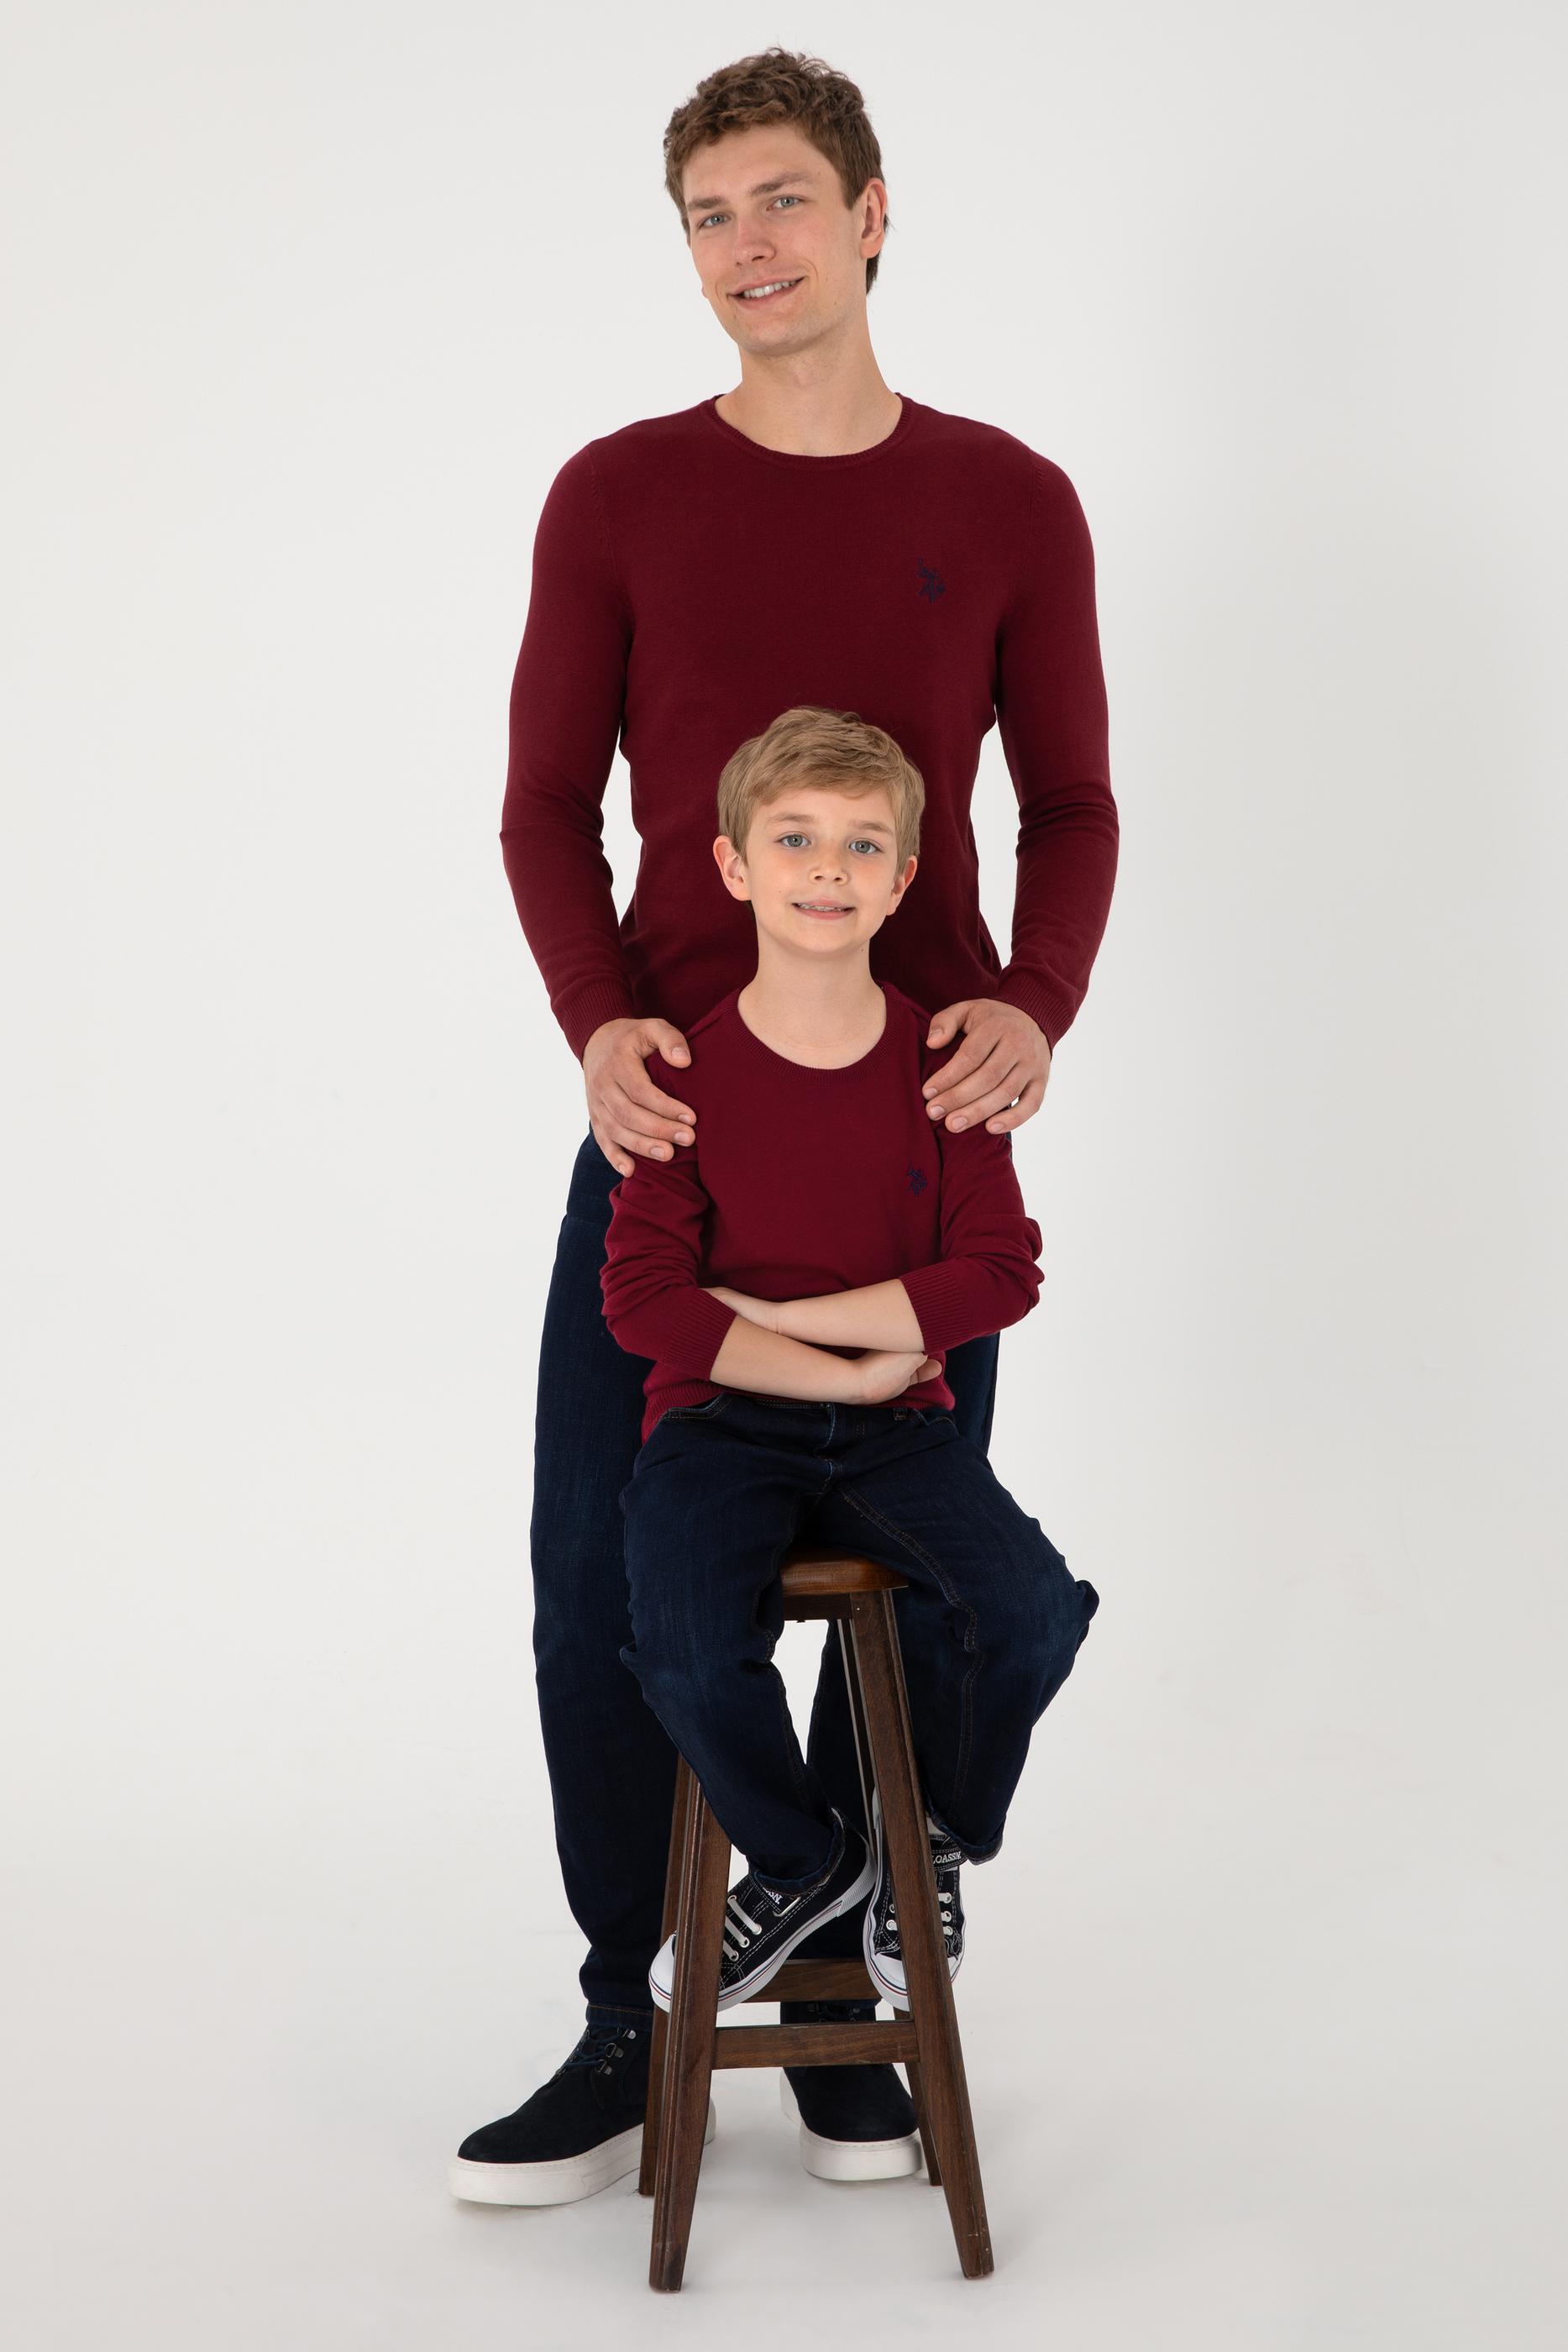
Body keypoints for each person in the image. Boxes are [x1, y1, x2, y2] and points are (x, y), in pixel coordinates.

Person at [451, 47, 1117, 2208]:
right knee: (593, 1580)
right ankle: (620, 2005)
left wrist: (1033, 1001)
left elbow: (1072, 802)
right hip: (672, 1134)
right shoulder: (617, 491)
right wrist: (594, 1028)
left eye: (782, 202)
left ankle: (834, 1987)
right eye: (709, 216)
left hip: (917, 1133)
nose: (748, 247)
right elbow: (543, 809)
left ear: (873, 213)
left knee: (919, 1586)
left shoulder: (1007, 498)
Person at [600, 707, 1099, 2059]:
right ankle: (803, 1858)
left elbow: (1000, 1271)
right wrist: (843, 1365)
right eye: (795, 839)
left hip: (898, 1436)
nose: (829, 867)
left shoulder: (942, 1068)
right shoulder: (683, 1074)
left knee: (1033, 1614)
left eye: (863, 845)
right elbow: (644, 1302)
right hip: (719, 1429)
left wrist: (808, 1333)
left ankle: (927, 1831)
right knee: (681, 1643)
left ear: (902, 880)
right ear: (732, 866)